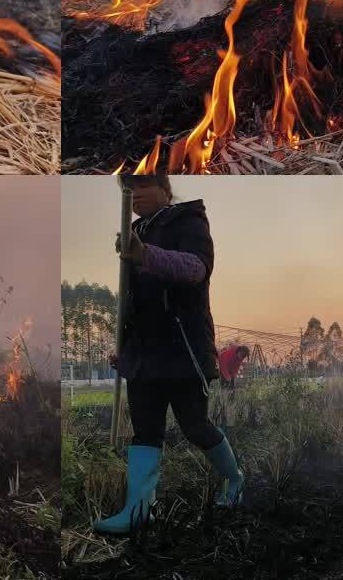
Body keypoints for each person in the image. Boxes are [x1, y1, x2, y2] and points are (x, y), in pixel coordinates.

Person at [94, 174, 244, 536]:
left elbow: (195, 269)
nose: (135, 196)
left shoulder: (189, 221)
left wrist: (144, 253)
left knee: (194, 426)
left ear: (164, 187)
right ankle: (139, 510)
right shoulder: (133, 230)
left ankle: (234, 481)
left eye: (142, 186)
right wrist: (125, 350)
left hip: (183, 348)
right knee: (145, 433)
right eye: (127, 191)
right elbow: (134, 300)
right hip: (145, 354)